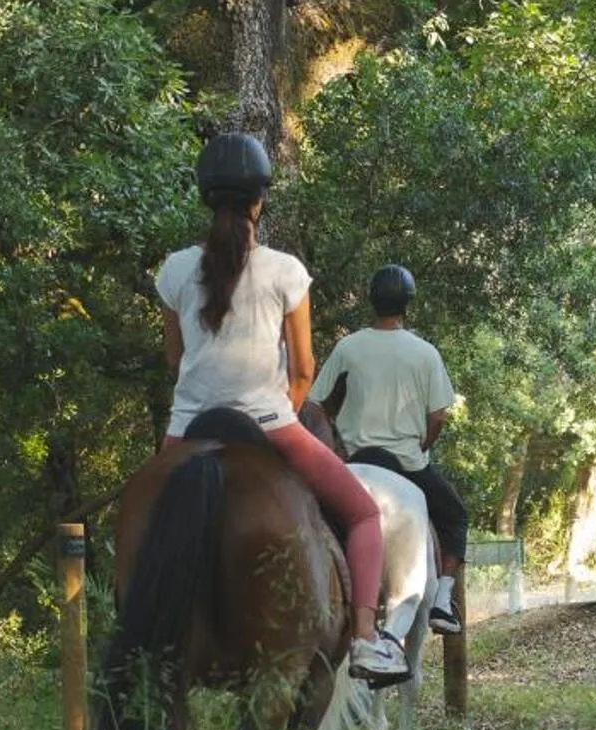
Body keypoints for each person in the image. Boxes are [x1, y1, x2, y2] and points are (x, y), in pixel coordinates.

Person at [156, 132, 410, 681]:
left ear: (205, 198)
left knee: (146, 518)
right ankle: (366, 640)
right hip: (269, 427)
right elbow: (302, 369)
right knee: (364, 513)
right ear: (259, 200)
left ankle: (140, 631)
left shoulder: (174, 270)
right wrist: (280, 413)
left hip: (186, 431)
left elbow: (175, 363)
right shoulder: (285, 271)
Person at [309, 264, 469, 633]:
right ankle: (443, 603)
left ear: (372, 302)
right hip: (407, 464)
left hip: (355, 461)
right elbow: (438, 416)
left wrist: (333, 443)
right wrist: (424, 443)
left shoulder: (348, 347)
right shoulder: (425, 353)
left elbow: (315, 403)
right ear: (407, 304)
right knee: (456, 517)